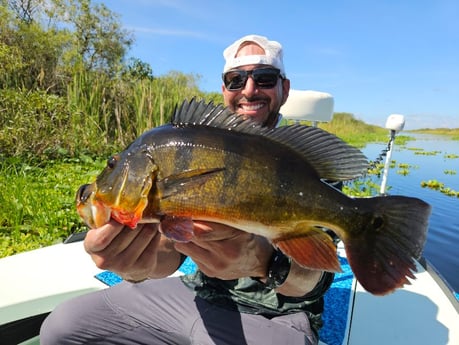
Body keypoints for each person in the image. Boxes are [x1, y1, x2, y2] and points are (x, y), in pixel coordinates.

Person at [40, 34, 334, 345]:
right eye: (236, 80)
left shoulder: (299, 162)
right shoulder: (179, 153)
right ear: (224, 90)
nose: (249, 90)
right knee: (63, 327)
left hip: (274, 317)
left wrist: (264, 263)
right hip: (196, 296)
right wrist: (142, 264)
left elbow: (315, 278)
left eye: (263, 78)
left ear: (283, 88)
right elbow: (170, 251)